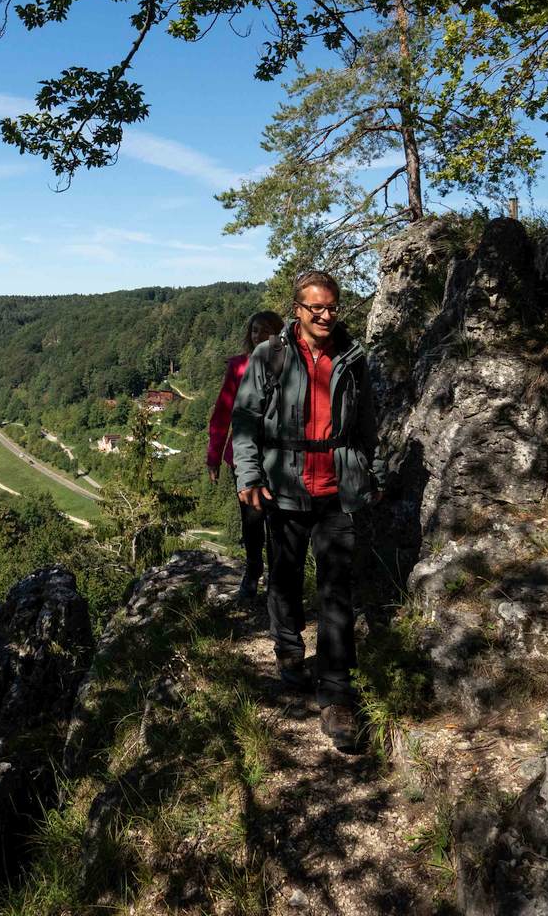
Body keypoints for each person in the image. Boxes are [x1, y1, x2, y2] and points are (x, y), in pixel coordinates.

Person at [230, 269, 389, 753]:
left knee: (337, 589)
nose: (324, 315)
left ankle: (337, 695)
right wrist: (248, 474)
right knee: (284, 573)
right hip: (284, 486)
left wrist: (373, 472)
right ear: (297, 309)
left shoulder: (352, 357)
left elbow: (366, 423)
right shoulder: (271, 355)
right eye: (314, 307)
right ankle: (289, 650)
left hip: (337, 488)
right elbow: (246, 418)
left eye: (332, 306)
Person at [207, 310, 284, 606]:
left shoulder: (288, 365)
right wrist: (214, 456)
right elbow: (223, 413)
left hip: (279, 460)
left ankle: (277, 582)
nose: (260, 336)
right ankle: (252, 572)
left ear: (278, 333)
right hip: (243, 458)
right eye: (255, 331)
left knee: (278, 523)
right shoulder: (239, 367)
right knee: (252, 522)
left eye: (266, 330)